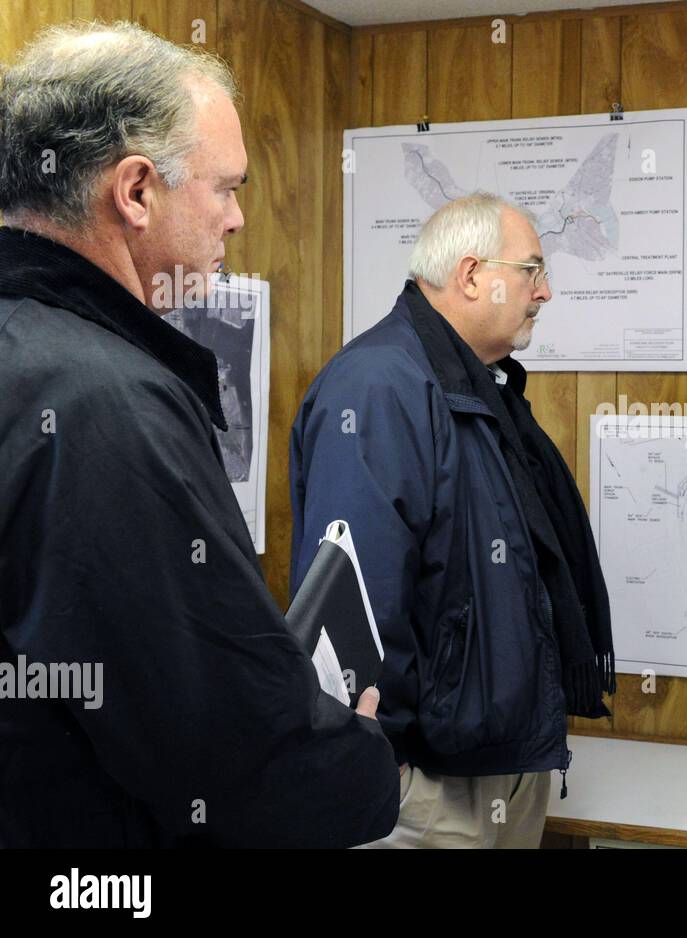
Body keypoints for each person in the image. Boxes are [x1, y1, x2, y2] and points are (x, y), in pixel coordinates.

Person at [0, 21, 399, 847]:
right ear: (136, 191)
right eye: (225, 187)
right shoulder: (106, 404)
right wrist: (353, 757)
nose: (239, 218)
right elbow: (224, 741)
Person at [290, 192, 615, 848]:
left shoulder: (475, 388)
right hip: (429, 795)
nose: (545, 292)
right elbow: (352, 603)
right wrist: (387, 770)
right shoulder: (380, 388)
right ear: (471, 275)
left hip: (496, 771)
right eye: (532, 270)